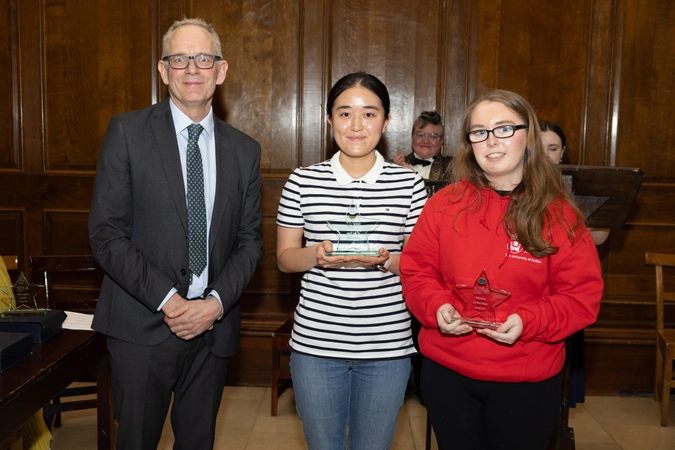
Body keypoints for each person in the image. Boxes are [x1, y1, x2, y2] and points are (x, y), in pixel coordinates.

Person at [89, 17, 263, 449]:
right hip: (140, 327)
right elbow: (106, 234)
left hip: (212, 332)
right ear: (164, 71)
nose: (192, 69)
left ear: (221, 71)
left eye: (203, 58)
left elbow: (250, 241)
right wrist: (172, 301)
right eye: (179, 59)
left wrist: (214, 304)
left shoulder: (244, 150)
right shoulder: (127, 132)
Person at [400, 90, 603, 450]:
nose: (491, 141)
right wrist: (436, 308)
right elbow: (417, 272)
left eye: (504, 129)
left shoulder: (559, 214)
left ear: (530, 136)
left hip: (525, 379)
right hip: (448, 374)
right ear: (469, 143)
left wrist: (528, 321)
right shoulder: (444, 205)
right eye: (479, 132)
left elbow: (580, 298)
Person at [276, 71, 427, 449]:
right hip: (316, 346)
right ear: (329, 120)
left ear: (387, 121)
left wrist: (384, 259)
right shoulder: (302, 181)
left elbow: (419, 264)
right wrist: (316, 254)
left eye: (370, 114)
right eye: (344, 114)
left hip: (387, 348)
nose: (356, 125)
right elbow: (284, 258)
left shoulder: (409, 184)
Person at [540, 120, 610, 245]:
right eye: (539, 148)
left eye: (553, 149)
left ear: (562, 151)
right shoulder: (513, 182)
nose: (545, 155)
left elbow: (598, 239)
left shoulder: (579, 184)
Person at [393, 110, 453, 180]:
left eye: (433, 136)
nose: (426, 141)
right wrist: (393, 171)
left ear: (441, 140)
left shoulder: (451, 166)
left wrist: (412, 175)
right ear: (412, 137)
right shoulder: (396, 164)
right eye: (420, 135)